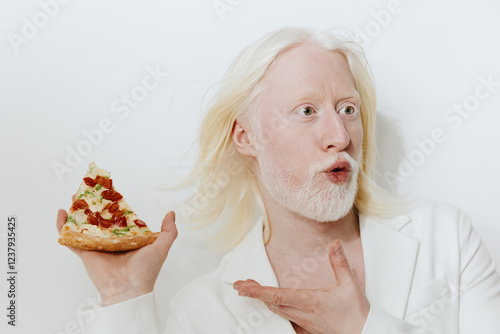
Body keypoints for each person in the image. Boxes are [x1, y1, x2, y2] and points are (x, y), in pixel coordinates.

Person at [56, 27, 500, 333]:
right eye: (307, 111)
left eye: (348, 108)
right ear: (247, 138)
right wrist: (123, 294)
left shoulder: (447, 237)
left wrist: (364, 328)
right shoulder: (202, 310)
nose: (340, 136)